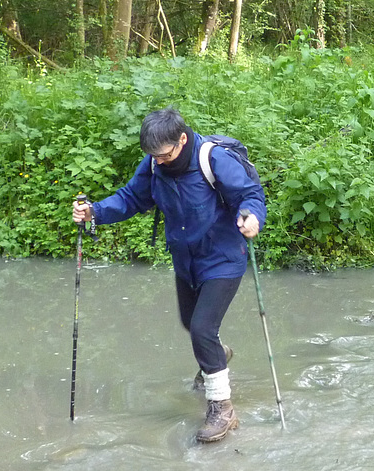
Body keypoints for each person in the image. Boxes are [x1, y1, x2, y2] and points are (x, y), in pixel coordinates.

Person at [72, 108, 266, 443]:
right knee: (193, 326)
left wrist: (252, 218)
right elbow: (132, 198)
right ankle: (217, 355)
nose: (159, 162)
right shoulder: (153, 165)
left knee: (202, 328)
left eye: (164, 155)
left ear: (182, 139)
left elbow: (249, 196)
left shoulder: (214, 160)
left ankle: (223, 409)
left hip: (222, 257)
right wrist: (95, 212)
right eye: (153, 156)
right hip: (185, 259)